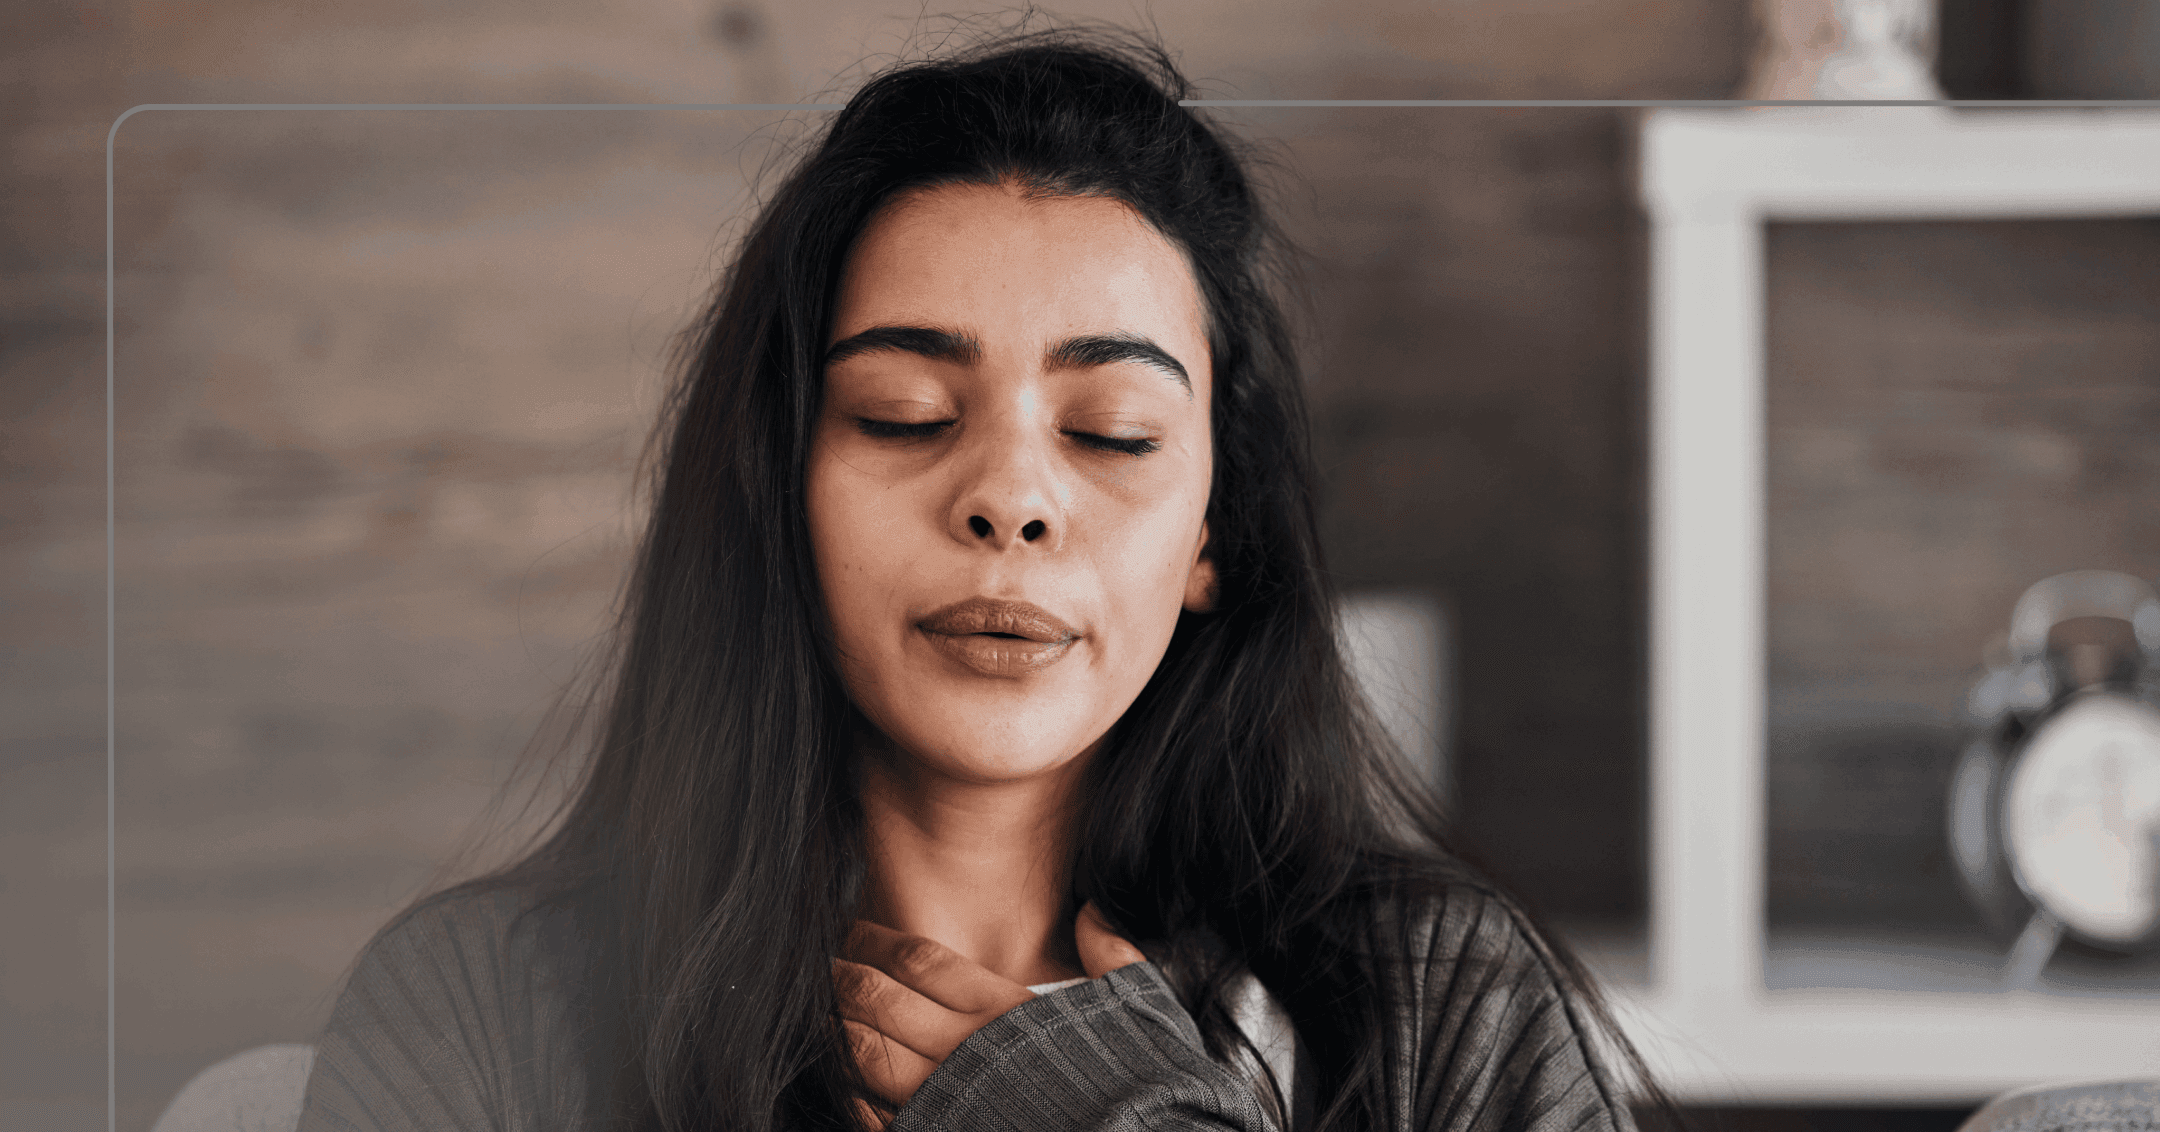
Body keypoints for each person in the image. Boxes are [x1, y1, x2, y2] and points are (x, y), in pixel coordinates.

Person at [294, 19, 1679, 1132]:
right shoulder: (478, 1017)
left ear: (1213, 533)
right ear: (780, 490)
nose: (1012, 499)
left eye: (1110, 434)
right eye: (904, 413)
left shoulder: (1443, 1007)